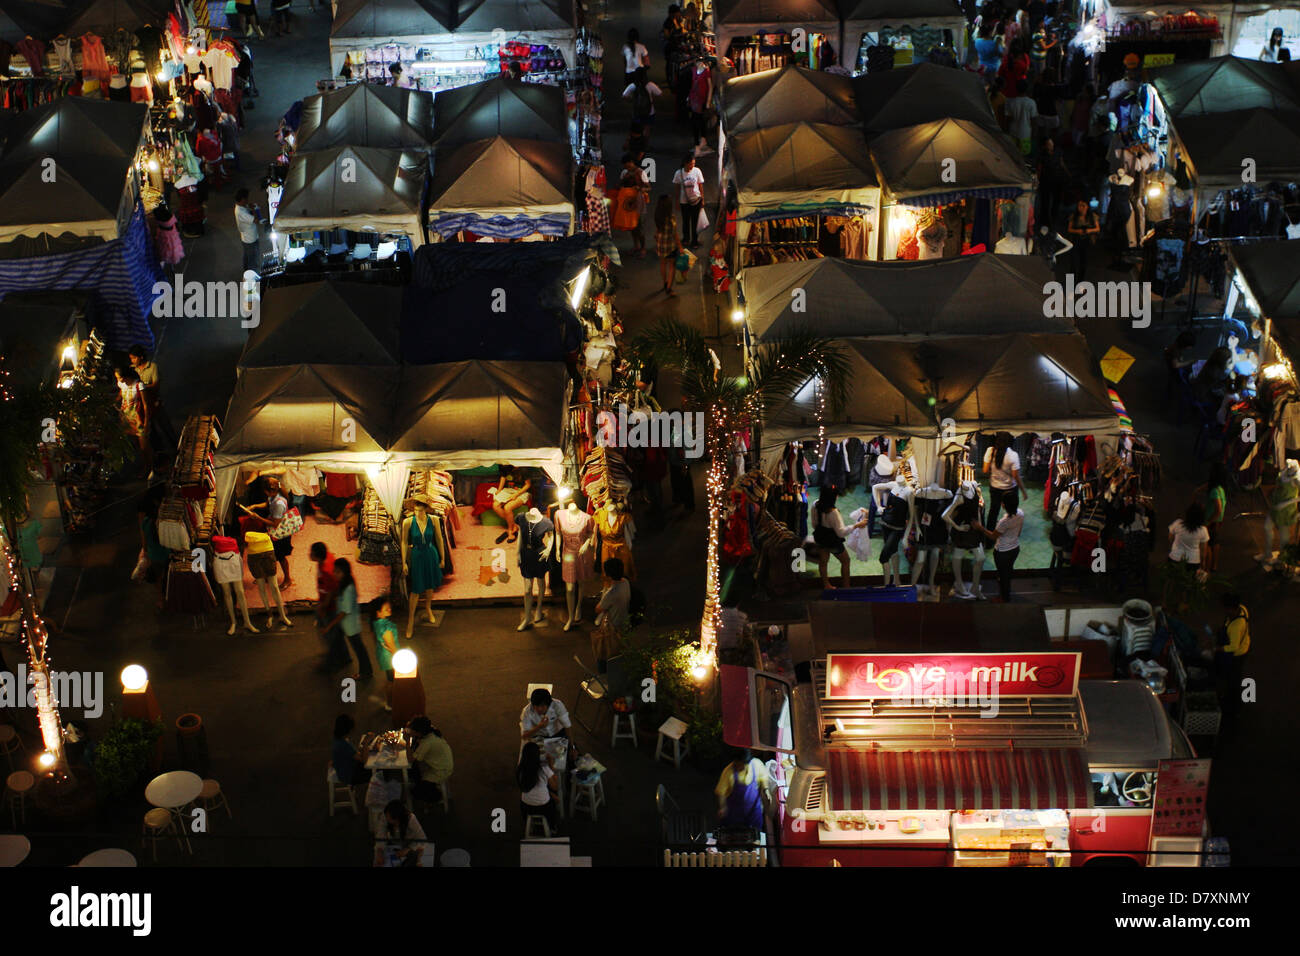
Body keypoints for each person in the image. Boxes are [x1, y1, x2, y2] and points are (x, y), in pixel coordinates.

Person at [241, 476, 294, 589]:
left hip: (280, 533)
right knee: (270, 554)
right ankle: (268, 575)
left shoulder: (279, 504)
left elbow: (275, 523)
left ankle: (287, 579)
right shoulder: (274, 496)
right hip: (274, 530)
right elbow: (267, 504)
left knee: (280, 556)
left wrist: (257, 517)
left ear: (268, 491)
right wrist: (254, 506)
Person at [323, 558, 373, 679]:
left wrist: (330, 625)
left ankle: (365, 672)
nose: (335, 574)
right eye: (334, 571)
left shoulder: (348, 588)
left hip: (350, 626)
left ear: (344, 572)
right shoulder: (345, 582)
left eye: (337, 572)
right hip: (346, 624)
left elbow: (344, 612)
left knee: (359, 648)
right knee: (339, 640)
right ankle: (344, 659)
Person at [810, 487, 865, 589]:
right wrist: (856, 525)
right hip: (832, 541)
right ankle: (846, 586)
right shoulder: (833, 512)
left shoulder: (815, 504)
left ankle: (826, 585)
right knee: (845, 561)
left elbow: (814, 524)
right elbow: (841, 532)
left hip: (819, 537)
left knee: (823, 562)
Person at [129, 345, 178, 459]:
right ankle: (160, 454)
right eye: (131, 358)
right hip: (143, 407)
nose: (132, 361)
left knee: (165, 427)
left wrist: (141, 388)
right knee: (152, 432)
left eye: (134, 358)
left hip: (155, 404)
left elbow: (156, 385)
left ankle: (177, 449)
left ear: (141, 357)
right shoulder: (133, 370)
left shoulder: (152, 367)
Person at [714, 748, 772, 831]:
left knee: (754, 836)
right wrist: (723, 807)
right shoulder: (728, 772)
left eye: (742, 764)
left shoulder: (757, 764)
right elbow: (721, 792)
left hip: (754, 812)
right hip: (734, 815)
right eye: (737, 764)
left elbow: (764, 778)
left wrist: (766, 790)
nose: (739, 767)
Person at [311, 541, 348, 670]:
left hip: (330, 606)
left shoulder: (326, 569)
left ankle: (332, 662)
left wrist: (324, 606)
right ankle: (345, 657)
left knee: (329, 634)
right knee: (336, 633)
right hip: (329, 604)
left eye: (311, 552)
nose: (309, 554)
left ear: (317, 555)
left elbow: (331, 590)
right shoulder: (327, 559)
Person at [1213, 592, 1250, 717]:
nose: (1223, 609)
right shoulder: (1242, 609)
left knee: (1234, 678)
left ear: (1230, 608)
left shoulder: (1236, 626)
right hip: (1244, 644)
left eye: (1225, 607)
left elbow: (1234, 646)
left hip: (1237, 654)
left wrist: (1218, 649)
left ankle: (1234, 706)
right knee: (1232, 676)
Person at [982, 432, 1025, 529]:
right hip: (1010, 489)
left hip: (995, 488)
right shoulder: (1013, 455)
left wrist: (995, 474)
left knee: (993, 511)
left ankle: (989, 538)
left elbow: (985, 470)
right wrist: (1023, 491)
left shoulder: (990, 451)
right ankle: (1010, 529)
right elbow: (1016, 476)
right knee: (1012, 511)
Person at [406, 715, 453, 804]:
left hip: (441, 770)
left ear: (419, 732)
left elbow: (410, 759)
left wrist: (407, 742)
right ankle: (422, 782)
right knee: (415, 772)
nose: (410, 731)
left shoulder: (427, 743)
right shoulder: (430, 730)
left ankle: (439, 797)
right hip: (443, 762)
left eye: (412, 730)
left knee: (415, 793)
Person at [592, 557, 631, 663]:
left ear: (608, 574)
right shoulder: (626, 583)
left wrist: (604, 594)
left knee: (610, 653)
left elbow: (598, 609)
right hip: (624, 620)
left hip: (613, 626)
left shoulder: (611, 593)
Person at [986, 497, 1025, 602]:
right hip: (1015, 548)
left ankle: (1004, 598)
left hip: (1002, 552)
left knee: (1003, 576)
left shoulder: (1004, 521)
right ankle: (1005, 593)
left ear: (1004, 505)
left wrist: (979, 527)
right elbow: (1019, 532)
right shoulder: (1021, 513)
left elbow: (993, 536)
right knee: (1007, 572)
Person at [115, 366, 151, 478]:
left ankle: (149, 467)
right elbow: (121, 395)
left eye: (119, 377)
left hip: (138, 420)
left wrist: (146, 422)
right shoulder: (122, 384)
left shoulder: (139, 385)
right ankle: (142, 466)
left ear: (125, 376)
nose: (118, 380)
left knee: (144, 447)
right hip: (126, 419)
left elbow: (146, 405)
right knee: (134, 445)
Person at [517, 741, 559, 833]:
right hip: (543, 808)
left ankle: (531, 825)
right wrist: (551, 765)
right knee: (555, 799)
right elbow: (555, 787)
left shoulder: (520, 768)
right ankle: (552, 827)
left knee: (547, 791)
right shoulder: (543, 768)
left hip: (525, 808)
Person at [373, 800, 427, 866]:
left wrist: (408, 849)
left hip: (410, 843)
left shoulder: (411, 818)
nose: (388, 820)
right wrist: (379, 851)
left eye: (392, 820)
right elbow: (381, 835)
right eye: (387, 818)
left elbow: (422, 839)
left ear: (399, 819)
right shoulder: (385, 816)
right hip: (394, 843)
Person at [619, 152, 651, 258]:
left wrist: (640, 189)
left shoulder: (641, 172)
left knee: (639, 227)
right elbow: (620, 185)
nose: (627, 168)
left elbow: (648, 187)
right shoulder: (624, 173)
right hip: (627, 203)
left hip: (639, 203)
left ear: (631, 163)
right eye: (625, 166)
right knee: (631, 226)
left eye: (628, 165)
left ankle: (643, 248)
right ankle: (636, 246)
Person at [371, 595, 400, 710]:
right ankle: (390, 703)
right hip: (390, 658)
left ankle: (389, 699)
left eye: (389, 607)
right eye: (386, 609)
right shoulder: (385, 628)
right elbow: (391, 646)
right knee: (392, 681)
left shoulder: (377, 623)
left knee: (390, 679)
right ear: (378, 613)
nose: (389, 609)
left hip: (385, 656)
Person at [490, 465, 531, 544]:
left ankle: (510, 530)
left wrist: (517, 494)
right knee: (495, 505)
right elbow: (503, 477)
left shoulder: (524, 468)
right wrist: (499, 490)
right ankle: (514, 526)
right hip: (508, 490)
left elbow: (528, 485)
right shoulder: (505, 465)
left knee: (507, 507)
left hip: (521, 491)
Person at [672, 154, 705, 249]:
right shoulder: (679, 173)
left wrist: (702, 199)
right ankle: (686, 239)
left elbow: (700, 185)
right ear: (685, 164)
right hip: (684, 201)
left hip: (696, 199)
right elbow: (677, 188)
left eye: (694, 163)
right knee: (685, 221)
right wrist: (677, 202)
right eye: (691, 164)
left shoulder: (697, 171)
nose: (692, 166)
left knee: (695, 221)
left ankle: (695, 240)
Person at [331, 714, 372, 787]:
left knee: (371, 759)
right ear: (349, 730)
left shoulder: (338, 738)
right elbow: (364, 760)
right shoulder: (343, 744)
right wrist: (366, 743)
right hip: (350, 776)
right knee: (377, 771)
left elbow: (354, 754)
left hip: (346, 768)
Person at [654, 194, 682, 295]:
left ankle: (664, 283)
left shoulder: (658, 217)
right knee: (672, 266)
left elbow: (657, 230)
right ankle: (669, 288)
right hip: (670, 246)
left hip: (660, 245)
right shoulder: (671, 219)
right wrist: (680, 247)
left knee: (663, 264)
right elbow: (675, 235)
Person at [1168, 502, 1210, 568]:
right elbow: (1203, 551)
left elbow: (1170, 538)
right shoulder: (1203, 530)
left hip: (1175, 558)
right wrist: (1203, 563)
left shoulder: (1177, 523)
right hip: (1193, 561)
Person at [1203, 462, 1228, 573]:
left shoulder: (1214, 491)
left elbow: (1218, 509)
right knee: (1215, 542)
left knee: (1207, 545)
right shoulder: (1221, 488)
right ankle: (1214, 565)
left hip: (1212, 521)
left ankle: (1206, 569)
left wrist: (1208, 521)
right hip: (1218, 521)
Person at [1066, 199, 1100, 277]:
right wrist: (1078, 231)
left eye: (1083, 206)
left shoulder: (1092, 216)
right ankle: (1071, 284)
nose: (1081, 208)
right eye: (1079, 206)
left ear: (1087, 207)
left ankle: (1080, 282)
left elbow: (1098, 228)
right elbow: (1069, 229)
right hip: (1075, 240)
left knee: (1083, 262)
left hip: (1086, 240)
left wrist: (1088, 230)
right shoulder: (1074, 216)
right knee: (1073, 262)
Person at [1004, 77, 1038, 156]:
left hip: (1013, 133)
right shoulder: (1031, 103)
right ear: (1027, 89)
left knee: (1013, 157)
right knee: (1024, 157)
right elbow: (1033, 121)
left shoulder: (1011, 102)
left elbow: (1008, 119)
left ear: (1016, 88)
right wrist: (1034, 135)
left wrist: (1005, 132)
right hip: (1025, 134)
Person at [234, 188, 261, 276]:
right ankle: (252, 278)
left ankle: (246, 271)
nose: (248, 200)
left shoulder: (240, 207)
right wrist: (254, 209)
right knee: (252, 261)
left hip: (246, 238)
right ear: (242, 199)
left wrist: (249, 205)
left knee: (247, 257)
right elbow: (256, 220)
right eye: (246, 199)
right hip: (250, 239)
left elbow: (246, 206)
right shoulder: (241, 213)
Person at [151, 202, 184, 269]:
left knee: (165, 250)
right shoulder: (171, 217)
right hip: (174, 237)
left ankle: (164, 261)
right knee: (173, 250)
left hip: (164, 238)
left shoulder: (160, 220)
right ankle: (172, 263)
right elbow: (177, 226)